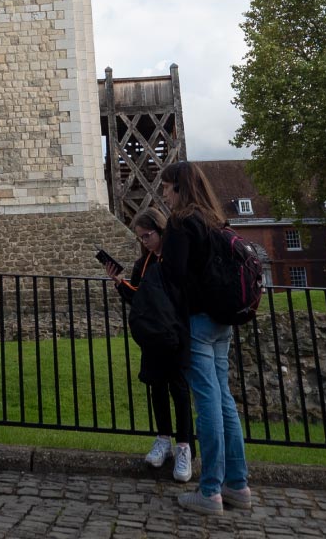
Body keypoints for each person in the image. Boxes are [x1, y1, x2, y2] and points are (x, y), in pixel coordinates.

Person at [157, 160, 254, 514]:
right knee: (224, 401)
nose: (164, 194)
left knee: (209, 405)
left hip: (197, 323)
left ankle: (210, 490)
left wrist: (162, 256)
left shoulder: (182, 223)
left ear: (180, 187)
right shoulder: (214, 220)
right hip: (221, 321)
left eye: (167, 187)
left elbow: (175, 277)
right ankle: (237, 485)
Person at [104, 207, 194, 483]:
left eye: (147, 236)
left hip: (176, 333)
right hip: (154, 335)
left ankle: (184, 448)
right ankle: (163, 440)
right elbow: (139, 296)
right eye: (141, 238)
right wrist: (119, 281)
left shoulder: (174, 260)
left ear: (160, 230)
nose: (144, 241)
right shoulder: (143, 264)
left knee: (179, 390)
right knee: (157, 386)